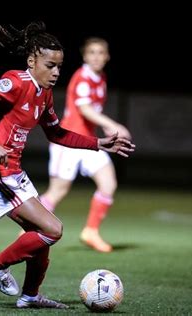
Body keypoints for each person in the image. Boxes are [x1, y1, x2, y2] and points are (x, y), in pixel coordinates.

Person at [0, 17, 135, 309]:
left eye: (59, 66)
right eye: (50, 66)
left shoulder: (44, 95)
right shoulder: (17, 82)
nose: (56, 73)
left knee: (39, 236)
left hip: (12, 172)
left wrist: (97, 144)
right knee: (53, 230)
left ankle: (30, 296)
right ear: (31, 61)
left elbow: (56, 133)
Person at [39, 37, 132, 253]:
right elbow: (85, 109)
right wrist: (112, 124)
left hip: (89, 141)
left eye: (101, 52)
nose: (97, 57)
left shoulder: (101, 78)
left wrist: (105, 128)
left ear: (107, 56)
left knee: (108, 183)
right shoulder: (82, 77)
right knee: (58, 191)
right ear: (85, 56)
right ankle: (29, 228)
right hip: (69, 142)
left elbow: (93, 113)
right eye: (92, 52)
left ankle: (90, 231)